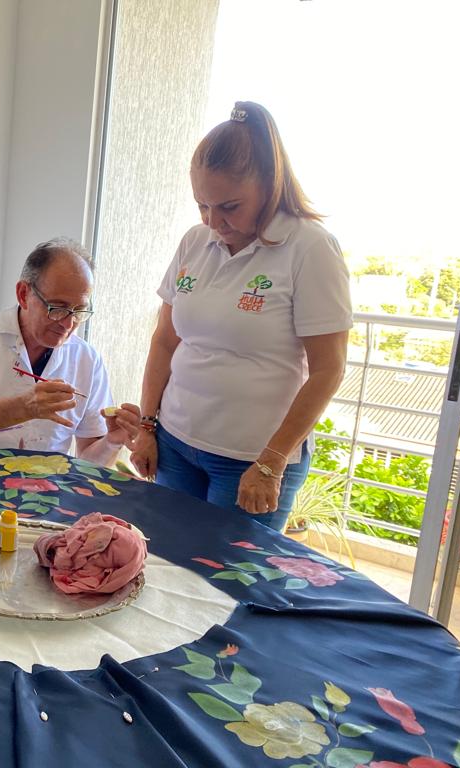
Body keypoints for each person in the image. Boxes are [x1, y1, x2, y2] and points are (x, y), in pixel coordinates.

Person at [129, 101, 351, 531]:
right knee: (167, 561)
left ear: (270, 183)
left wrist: (271, 462)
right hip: (175, 442)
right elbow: (165, 340)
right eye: (202, 205)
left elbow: (329, 369)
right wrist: (147, 426)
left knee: (229, 572)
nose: (214, 220)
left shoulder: (309, 248)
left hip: (251, 459)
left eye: (229, 206)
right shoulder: (195, 241)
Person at [0, 238, 140, 467]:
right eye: (57, 308)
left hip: (45, 484)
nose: (68, 323)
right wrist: (23, 408)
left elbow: (88, 465)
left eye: (79, 311)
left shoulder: (87, 360)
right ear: (23, 294)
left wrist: (112, 442)